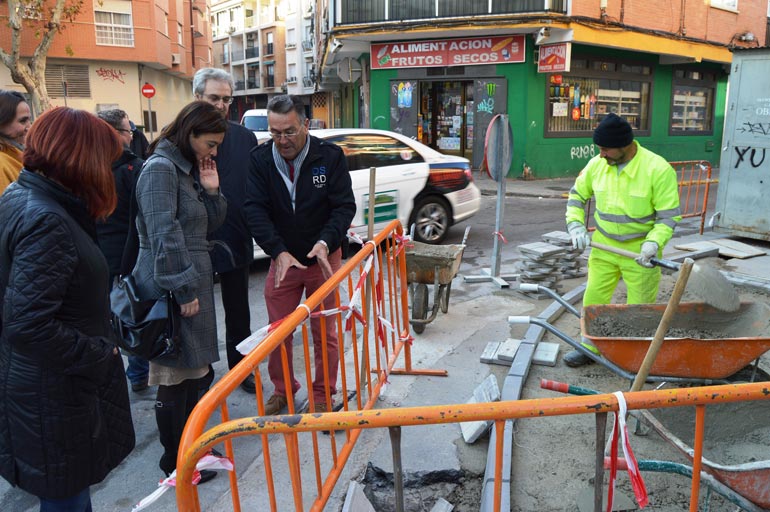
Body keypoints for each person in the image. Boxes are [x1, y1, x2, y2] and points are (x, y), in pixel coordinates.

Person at [0, 107, 134, 511]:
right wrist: (99, 352)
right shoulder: (47, 219)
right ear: (80, 158)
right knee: (67, 499)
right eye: (104, 162)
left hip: (44, 388)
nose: (108, 172)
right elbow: (28, 323)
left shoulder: (25, 195)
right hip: (54, 393)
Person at [131, 101, 227, 481]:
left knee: (197, 373)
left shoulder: (186, 170)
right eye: (210, 143)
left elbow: (210, 224)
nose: (214, 152)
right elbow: (163, 237)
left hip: (190, 285)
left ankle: (193, 448)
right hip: (172, 290)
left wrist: (212, 190)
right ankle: (175, 461)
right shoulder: (160, 169)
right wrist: (183, 290)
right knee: (175, 376)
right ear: (189, 135)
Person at [244, 95, 355, 415]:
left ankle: (323, 393)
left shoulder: (329, 156)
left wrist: (325, 241)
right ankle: (283, 389)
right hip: (283, 262)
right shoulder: (260, 159)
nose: (282, 140)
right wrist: (276, 251)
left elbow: (344, 206)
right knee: (277, 331)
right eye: (275, 133)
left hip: (323, 258)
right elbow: (254, 209)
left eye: (289, 131)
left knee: (325, 332)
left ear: (305, 125)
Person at [564, 113, 681, 367]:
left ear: (625, 146)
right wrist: (575, 226)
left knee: (639, 308)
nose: (601, 154)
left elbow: (668, 216)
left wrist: (654, 243)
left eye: (605, 149)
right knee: (593, 298)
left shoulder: (657, 169)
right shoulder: (597, 165)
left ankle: (632, 357)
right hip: (604, 247)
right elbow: (576, 197)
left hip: (640, 252)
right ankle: (590, 348)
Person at [193, 68, 258, 393]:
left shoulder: (245, 137)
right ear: (197, 98)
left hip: (235, 237)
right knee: (196, 316)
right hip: (195, 243)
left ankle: (241, 370)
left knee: (239, 313)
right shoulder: (178, 136)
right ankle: (200, 377)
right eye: (214, 97)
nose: (220, 105)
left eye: (226, 99)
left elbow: (256, 189)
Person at [96, 108, 150, 392]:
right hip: (129, 256)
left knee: (104, 317)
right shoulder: (135, 169)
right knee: (132, 315)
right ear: (115, 134)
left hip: (95, 257)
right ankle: (138, 373)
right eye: (129, 131)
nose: (132, 137)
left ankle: (116, 370)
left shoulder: (85, 168)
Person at [0, 90, 32, 194]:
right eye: (23, 121)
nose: (29, 127)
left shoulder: (17, 155)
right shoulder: (1, 164)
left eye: (29, 120)